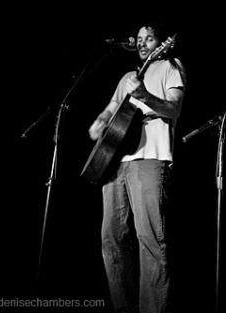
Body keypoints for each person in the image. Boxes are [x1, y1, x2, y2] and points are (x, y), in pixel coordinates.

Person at [88, 21, 186, 313]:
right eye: (139, 39)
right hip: (115, 160)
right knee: (111, 237)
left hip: (150, 156)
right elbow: (110, 109)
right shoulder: (127, 76)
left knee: (149, 238)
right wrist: (99, 123)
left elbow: (173, 108)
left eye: (149, 38)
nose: (142, 43)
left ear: (161, 43)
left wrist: (143, 95)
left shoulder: (170, 65)